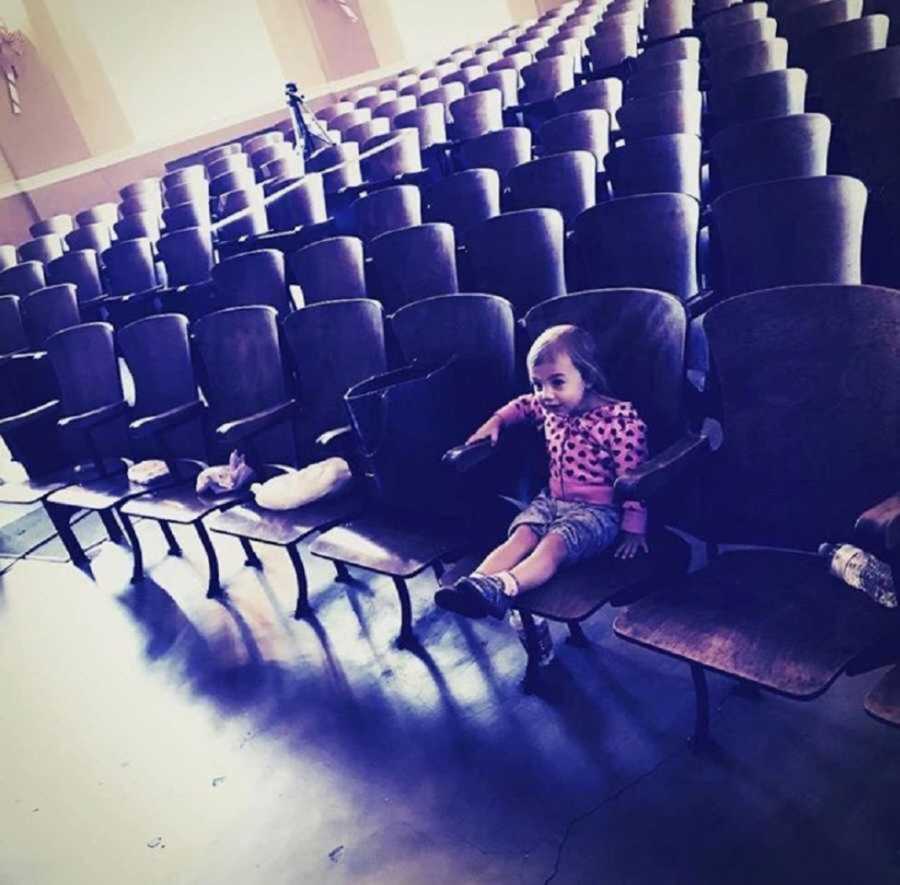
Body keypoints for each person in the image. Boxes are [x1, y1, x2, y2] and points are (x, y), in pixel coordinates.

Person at [435, 324, 650, 662]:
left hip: (596, 512)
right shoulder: (550, 406)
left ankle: (504, 586)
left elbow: (635, 476)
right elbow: (522, 405)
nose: (545, 394)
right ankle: (475, 587)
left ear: (588, 378)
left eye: (557, 382)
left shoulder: (618, 420)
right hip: (550, 500)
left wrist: (634, 526)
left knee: (551, 546)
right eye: (538, 384)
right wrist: (495, 421)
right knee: (520, 536)